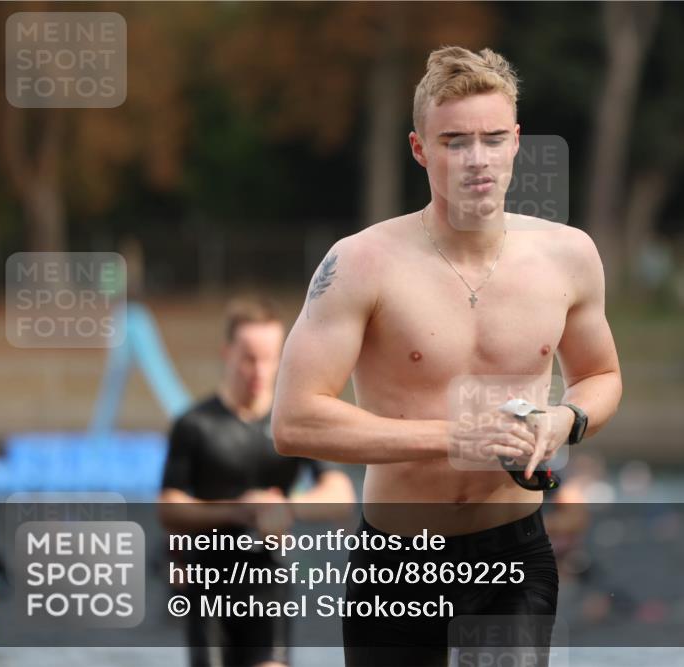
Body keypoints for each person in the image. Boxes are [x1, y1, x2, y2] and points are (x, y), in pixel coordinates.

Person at [272, 46, 622, 666]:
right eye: (455, 141)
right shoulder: (360, 263)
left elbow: (600, 375)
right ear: (419, 149)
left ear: (517, 141)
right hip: (398, 558)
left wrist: (561, 422)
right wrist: (459, 436)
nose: (477, 159)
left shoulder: (569, 256)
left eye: (492, 138)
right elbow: (295, 421)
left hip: (514, 554)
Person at [159, 296, 356, 667]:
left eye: (269, 358)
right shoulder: (195, 425)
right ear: (227, 352)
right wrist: (240, 510)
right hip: (208, 585)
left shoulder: (292, 425)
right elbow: (169, 507)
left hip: (269, 578)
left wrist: (284, 507)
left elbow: (340, 494)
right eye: (249, 358)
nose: (259, 370)